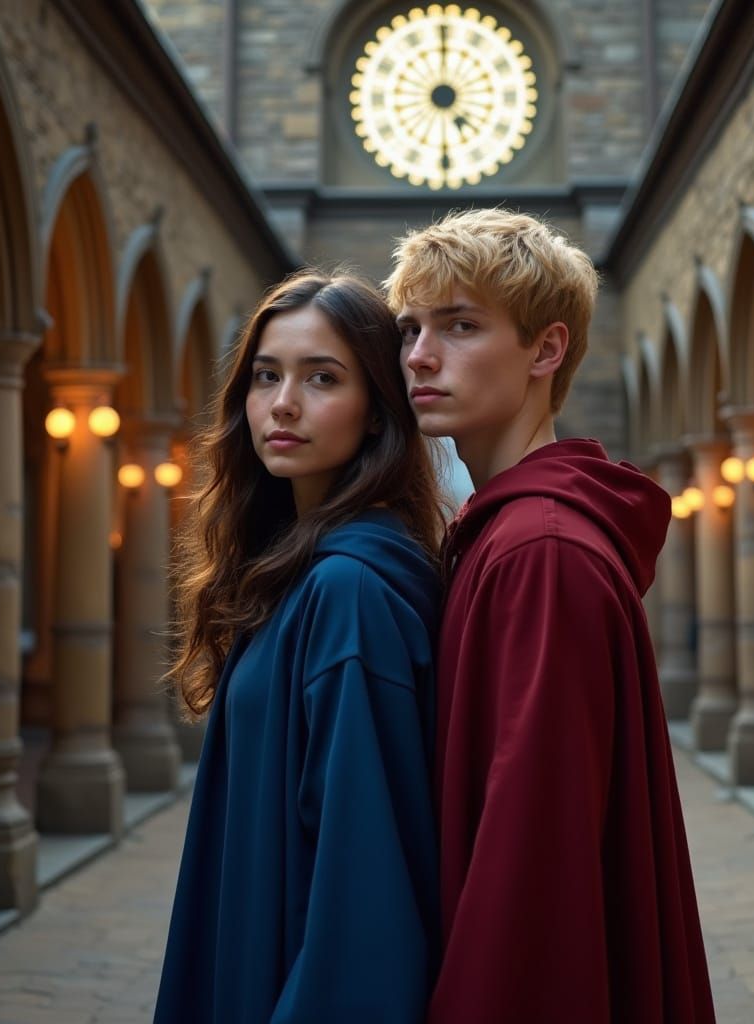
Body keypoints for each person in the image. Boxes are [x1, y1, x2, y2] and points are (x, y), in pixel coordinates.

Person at [386, 209, 716, 1023]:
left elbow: (534, 861)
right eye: (410, 329)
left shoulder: (542, 552)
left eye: (460, 326)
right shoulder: (505, 532)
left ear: (546, 349)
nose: (419, 355)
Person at [154, 270, 445, 1024]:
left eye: (322, 378)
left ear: (378, 411)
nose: (283, 403)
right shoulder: (291, 572)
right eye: (266, 376)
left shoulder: (349, 592)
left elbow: (364, 881)